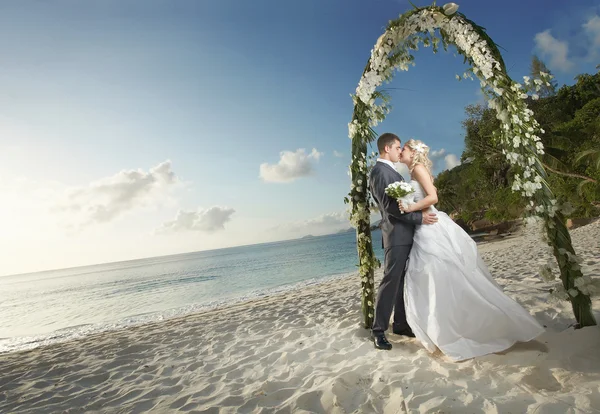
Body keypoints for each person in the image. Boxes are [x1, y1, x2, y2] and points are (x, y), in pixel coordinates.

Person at [398, 138, 545, 361]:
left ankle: (456, 328)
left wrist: (410, 207)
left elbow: (433, 197)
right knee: (432, 276)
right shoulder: (414, 170)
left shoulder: (418, 168)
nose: (401, 152)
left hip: (430, 228)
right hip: (424, 227)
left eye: (404, 149)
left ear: (413, 153)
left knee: (437, 274)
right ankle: (442, 327)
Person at [368, 133, 438, 351]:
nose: (400, 151)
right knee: (390, 281)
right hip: (396, 236)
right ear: (387, 149)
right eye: (398, 147)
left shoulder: (391, 171)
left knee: (400, 282)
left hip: (406, 234)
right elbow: (390, 208)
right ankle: (378, 331)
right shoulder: (380, 172)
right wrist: (420, 218)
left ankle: (400, 324)